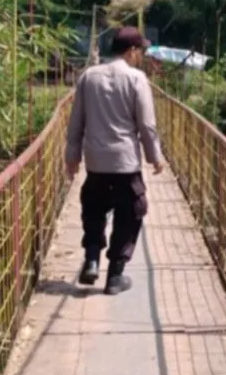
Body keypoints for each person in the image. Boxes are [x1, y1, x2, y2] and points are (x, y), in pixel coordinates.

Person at [65, 26, 164, 295]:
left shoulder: (88, 76)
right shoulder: (137, 79)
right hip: (125, 163)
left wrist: (72, 157)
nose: (141, 56)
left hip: (95, 162)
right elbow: (146, 125)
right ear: (131, 51)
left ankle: (92, 259)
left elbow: (76, 122)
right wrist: (155, 157)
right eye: (141, 51)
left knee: (94, 209)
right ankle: (114, 277)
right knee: (130, 213)